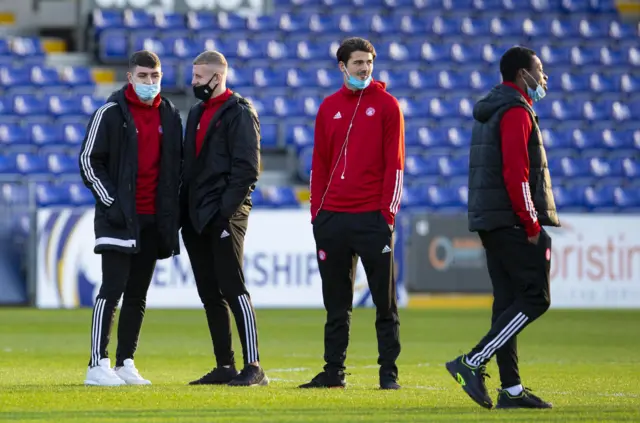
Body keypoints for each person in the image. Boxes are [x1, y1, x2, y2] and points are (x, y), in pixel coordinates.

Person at [445, 46, 559, 409]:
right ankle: (472, 362)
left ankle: (510, 390)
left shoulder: (494, 108)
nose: (543, 77)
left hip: (491, 217)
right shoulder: (515, 111)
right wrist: (529, 221)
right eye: (539, 70)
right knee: (536, 298)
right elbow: (516, 174)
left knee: (508, 302)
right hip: (510, 219)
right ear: (521, 74)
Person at [299, 37, 405, 390]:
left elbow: (396, 165)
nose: (364, 68)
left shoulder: (388, 106)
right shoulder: (328, 107)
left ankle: (388, 373)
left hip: (373, 219)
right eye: (358, 62)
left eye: (369, 62)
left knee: (384, 303)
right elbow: (319, 164)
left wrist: (387, 215)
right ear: (342, 66)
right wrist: (318, 214)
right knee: (336, 304)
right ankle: (333, 373)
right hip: (333, 219)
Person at [80, 50, 183, 386]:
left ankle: (125, 361)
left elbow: (175, 168)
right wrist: (113, 203)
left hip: (153, 219)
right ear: (130, 77)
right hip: (119, 218)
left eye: (155, 77)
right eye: (143, 76)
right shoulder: (110, 113)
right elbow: (88, 161)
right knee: (112, 289)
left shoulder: (169, 113)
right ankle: (97, 364)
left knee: (138, 293)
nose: (150, 83)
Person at [181, 51, 267, 387]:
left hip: (224, 216)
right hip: (196, 217)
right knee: (209, 293)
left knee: (234, 288)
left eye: (199, 77)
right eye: (194, 77)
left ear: (218, 77)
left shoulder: (240, 112)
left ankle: (254, 366)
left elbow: (247, 169)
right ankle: (224, 365)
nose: (194, 83)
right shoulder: (198, 112)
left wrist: (223, 213)